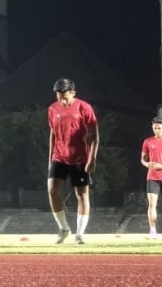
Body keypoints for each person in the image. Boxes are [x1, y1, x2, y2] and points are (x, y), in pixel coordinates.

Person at [47, 78, 99, 245]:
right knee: (53, 190)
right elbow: (53, 134)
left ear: (73, 93)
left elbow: (94, 135)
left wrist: (92, 159)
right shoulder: (52, 109)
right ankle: (63, 228)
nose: (62, 100)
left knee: (81, 194)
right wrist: (50, 158)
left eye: (65, 97)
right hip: (59, 156)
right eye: (59, 96)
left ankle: (80, 233)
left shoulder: (84, 108)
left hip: (80, 158)